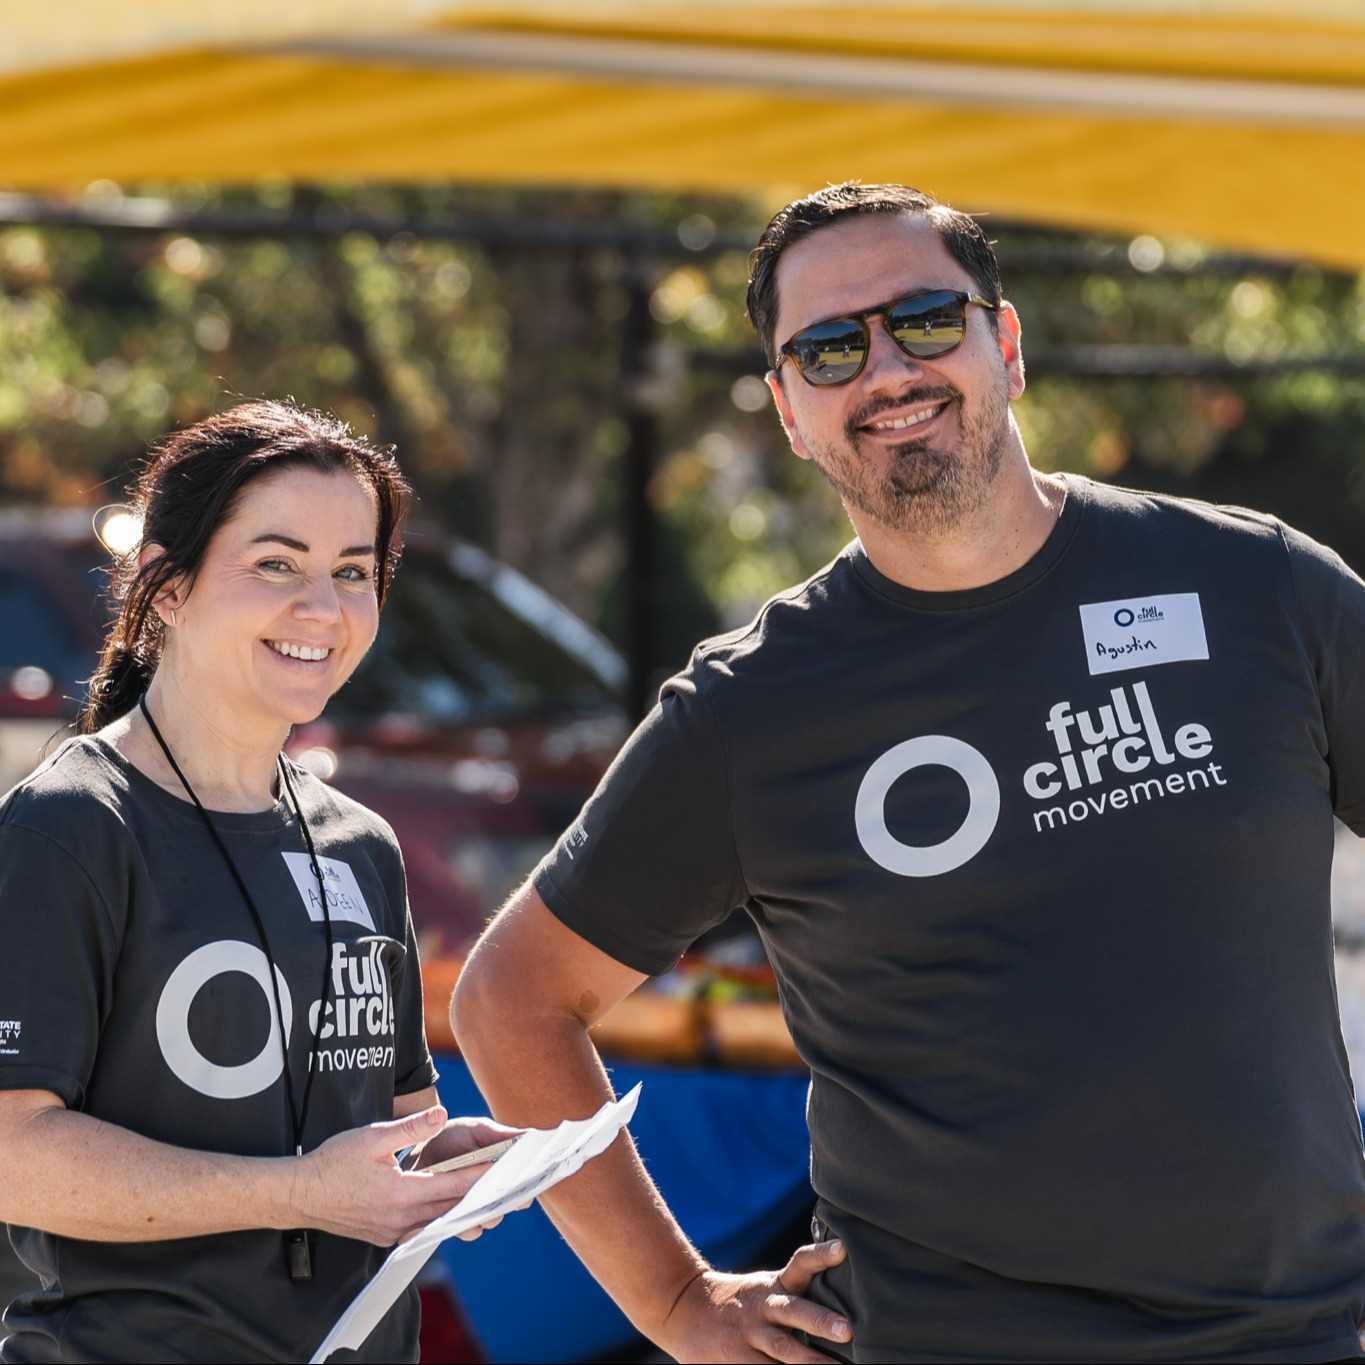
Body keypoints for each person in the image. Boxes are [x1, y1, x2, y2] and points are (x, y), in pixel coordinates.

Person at [451, 183, 1365, 1364]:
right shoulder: (752, 709)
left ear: (1008, 343)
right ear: (788, 410)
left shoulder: (1256, 590)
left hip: (1287, 1339)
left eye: (926, 320)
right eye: (829, 349)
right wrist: (677, 1305)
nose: (884, 371)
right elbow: (510, 1000)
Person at [0, 401, 517, 1363]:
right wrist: (295, 1189)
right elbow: (12, 1154)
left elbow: (396, 1120)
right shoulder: (69, 826)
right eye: (276, 563)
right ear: (164, 585)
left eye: (353, 572)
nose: (323, 608)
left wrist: (442, 1162)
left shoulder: (361, 843)